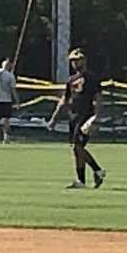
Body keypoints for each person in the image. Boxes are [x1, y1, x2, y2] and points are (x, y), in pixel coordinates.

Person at [47, 48, 105, 189]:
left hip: (85, 117)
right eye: (73, 60)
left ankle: (98, 170)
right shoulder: (71, 80)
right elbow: (64, 100)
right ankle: (81, 181)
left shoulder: (91, 78)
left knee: (77, 147)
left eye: (77, 60)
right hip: (73, 116)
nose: (75, 63)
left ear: (84, 60)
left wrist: (96, 116)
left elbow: (97, 98)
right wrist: (54, 118)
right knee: (75, 150)